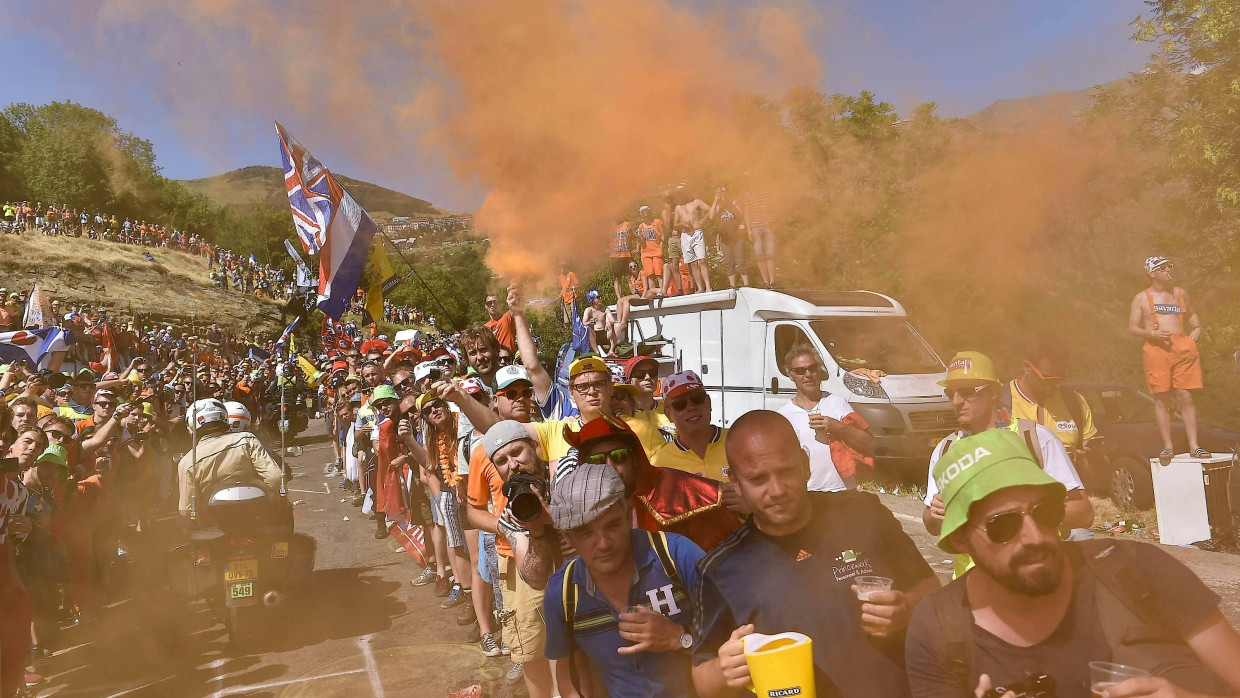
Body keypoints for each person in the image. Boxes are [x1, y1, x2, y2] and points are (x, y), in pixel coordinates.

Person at [905, 428, 1240, 698]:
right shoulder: (938, 629)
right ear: (961, 539)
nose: (1034, 536)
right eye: (1003, 526)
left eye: (1045, 513)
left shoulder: (1138, 572)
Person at [690, 410, 941, 698]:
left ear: (805, 464)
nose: (776, 490)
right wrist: (724, 669)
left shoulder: (864, 514)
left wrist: (906, 607)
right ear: (735, 482)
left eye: (785, 471)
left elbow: (930, 587)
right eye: (757, 479)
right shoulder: (720, 569)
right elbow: (701, 677)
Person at [920, 351, 1094, 579]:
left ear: (993, 392)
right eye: (950, 392)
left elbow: (1083, 512)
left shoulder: (1034, 438)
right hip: (972, 588)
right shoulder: (946, 450)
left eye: (968, 391)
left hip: (1034, 577)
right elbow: (931, 525)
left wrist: (1023, 517)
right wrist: (936, 515)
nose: (956, 401)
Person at [544, 462, 704, 698]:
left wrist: (680, 637)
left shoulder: (677, 557)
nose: (604, 543)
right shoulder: (563, 593)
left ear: (629, 516)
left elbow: (738, 638)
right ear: (568, 538)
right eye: (586, 532)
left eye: (612, 525)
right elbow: (571, 679)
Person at [567, 417, 740, 551]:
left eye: (619, 456)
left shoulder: (683, 494)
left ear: (635, 459)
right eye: (597, 461)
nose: (610, 467)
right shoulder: (580, 517)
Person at [480, 420, 562, 698]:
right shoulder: (513, 512)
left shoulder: (563, 477)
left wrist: (556, 517)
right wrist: (538, 529)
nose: (513, 464)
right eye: (502, 461)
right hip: (546, 589)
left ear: (535, 448)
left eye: (517, 453)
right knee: (533, 653)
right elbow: (536, 578)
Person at [1127, 255, 1206, 464]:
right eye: (1163, 267)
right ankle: (1168, 446)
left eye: (1170, 266)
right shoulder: (1141, 298)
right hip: (1156, 348)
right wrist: (1151, 334)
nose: (1169, 270)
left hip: (1182, 346)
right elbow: (1132, 327)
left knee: (1186, 397)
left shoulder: (1180, 294)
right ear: (1152, 273)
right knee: (1162, 398)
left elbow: (1192, 314)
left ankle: (1194, 445)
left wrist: (1197, 328)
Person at [776, 344, 875, 491]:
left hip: (843, 491)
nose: (808, 374)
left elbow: (870, 444)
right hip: (808, 495)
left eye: (813, 368)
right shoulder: (784, 415)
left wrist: (836, 426)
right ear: (790, 375)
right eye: (800, 371)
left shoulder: (837, 403)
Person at [175, 398, 285, 523]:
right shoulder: (247, 440)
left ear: (192, 426)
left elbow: (187, 508)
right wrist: (275, 501)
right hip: (256, 516)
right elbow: (275, 478)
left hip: (214, 525)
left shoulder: (187, 462)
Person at [1002, 340, 1097, 463]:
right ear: (1026, 367)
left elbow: (1093, 474)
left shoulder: (1075, 402)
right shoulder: (1000, 402)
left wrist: (1096, 460)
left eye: (1061, 378)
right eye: (1048, 379)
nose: (1056, 385)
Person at [649, 372, 729, 482]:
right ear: (668, 414)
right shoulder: (660, 464)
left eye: (697, 399)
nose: (691, 407)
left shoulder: (739, 442)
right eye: (680, 404)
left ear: (709, 403)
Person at [620, 355, 671, 456]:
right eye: (640, 374)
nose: (648, 378)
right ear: (629, 381)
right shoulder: (623, 416)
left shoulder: (671, 410)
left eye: (652, 373)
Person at [673, 186, 715, 294]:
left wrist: (703, 221)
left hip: (696, 232)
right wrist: (681, 224)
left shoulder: (696, 202)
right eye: (679, 193)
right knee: (692, 264)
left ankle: (708, 287)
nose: (681, 194)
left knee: (702, 260)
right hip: (685, 235)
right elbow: (674, 225)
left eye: (683, 192)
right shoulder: (678, 207)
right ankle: (700, 288)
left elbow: (710, 210)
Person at [742, 175, 777, 288]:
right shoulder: (748, 194)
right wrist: (749, 230)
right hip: (755, 228)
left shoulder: (767, 190)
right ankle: (765, 282)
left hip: (768, 226)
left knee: (770, 255)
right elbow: (747, 212)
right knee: (759, 255)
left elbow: (774, 207)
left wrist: (774, 224)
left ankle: (773, 282)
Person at [713, 188, 749, 288]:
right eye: (719, 193)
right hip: (724, 237)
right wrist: (716, 201)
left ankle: (746, 284)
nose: (721, 195)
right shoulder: (718, 206)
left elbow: (739, 214)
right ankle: (732, 285)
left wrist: (727, 203)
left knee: (741, 260)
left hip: (736, 235)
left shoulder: (734, 202)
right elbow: (711, 216)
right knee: (728, 262)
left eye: (723, 193)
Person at [635, 206, 665, 294]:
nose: (646, 214)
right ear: (641, 215)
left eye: (647, 212)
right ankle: (654, 293)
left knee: (659, 273)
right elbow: (641, 242)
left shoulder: (657, 222)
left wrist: (661, 247)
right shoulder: (640, 226)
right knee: (650, 274)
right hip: (645, 253)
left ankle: (663, 291)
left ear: (650, 212)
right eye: (643, 213)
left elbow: (663, 235)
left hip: (657, 251)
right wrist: (638, 236)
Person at [582, 290, 617, 357]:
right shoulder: (588, 310)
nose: (601, 298)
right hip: (594, 335)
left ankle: (611, 350)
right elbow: (584, 323)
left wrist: (609, 322)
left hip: (604, 333)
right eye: (598, 297)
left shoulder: (605, 309)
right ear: (592, 299)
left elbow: (612, 320)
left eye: (601, 296)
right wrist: (590, 322)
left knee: (617, 325)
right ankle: (597, 352)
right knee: (588, 329)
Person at [609, 216, 636, 303]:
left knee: (630, 277)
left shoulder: (627, 224)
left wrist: (637, 248)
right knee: (618, 278)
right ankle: (619, 299)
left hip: (627, 254)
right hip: (615, 256)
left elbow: (636, 234)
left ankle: (635, 294)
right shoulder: (611, 226)